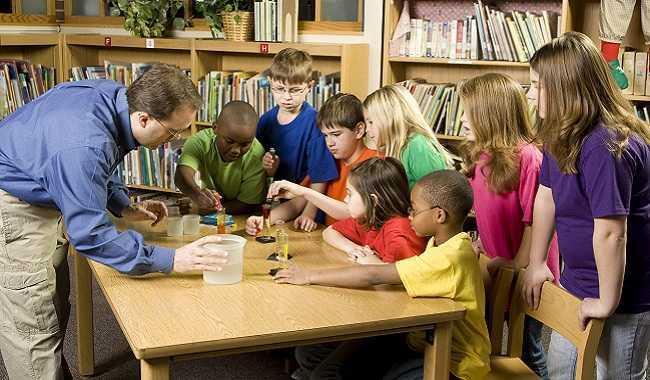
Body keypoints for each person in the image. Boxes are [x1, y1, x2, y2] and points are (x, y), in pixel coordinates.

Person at [0, 64, 228, 379]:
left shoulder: (115, 97)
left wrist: (121, 205)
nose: (171, 142)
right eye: (172, 131)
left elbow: (101, 163)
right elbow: (90, 235)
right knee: (32, 324)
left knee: (52, 305)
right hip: (13, 205)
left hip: (41, 183)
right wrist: (173, 259)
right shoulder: (84, 145)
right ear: (144, 118)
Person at [275, 170, 490, 380]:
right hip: (420, 339)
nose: (409, 216)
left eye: (414, 210)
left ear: (439, 215)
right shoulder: (443, 242)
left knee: (331, 371)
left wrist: (308, 276)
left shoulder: (449, 256)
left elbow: (373, 275)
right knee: (315, 354)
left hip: (453, 363)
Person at [522, 32, 650, 379]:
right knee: (565, 367)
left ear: (567, 88)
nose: (530, 94)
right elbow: (546, 195)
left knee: (616, 374)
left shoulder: (606, 144)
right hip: (576, 282)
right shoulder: (560, 132)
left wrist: (607, 301)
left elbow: (611, 233)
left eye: (538, 85)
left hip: (624, 293)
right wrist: (536, 263)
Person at [458, 72, 560, 379]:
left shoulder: (529, 158)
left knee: (528, 349)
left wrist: (519, 265)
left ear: (491, 116)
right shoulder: (479, 155)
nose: (462, 119)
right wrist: (480, 246)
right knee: (489, 340)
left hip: (528, 272)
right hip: (496, 269)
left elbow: (537, 219)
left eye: (468, 113)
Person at [246, 93, 378, 232]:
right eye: (325, 135)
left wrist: (306, 193)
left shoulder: (375, 164)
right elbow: (299, 202)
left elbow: (352, 212)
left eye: (336, 134)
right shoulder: (327, 161)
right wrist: (265, 219)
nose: (329, 143)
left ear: (359, 130)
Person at [256, 48, 338, 232]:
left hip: (305, 204)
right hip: (274, 202)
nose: (286, 97)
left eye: (294, 90)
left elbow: (320, 177)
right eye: (279, 89)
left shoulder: (315, 123)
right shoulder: (266, 121)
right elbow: (258, 170)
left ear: (309, 86)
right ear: (270, 83)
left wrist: (309, 213)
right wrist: (268, 168)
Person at [175, 100, 265, 215]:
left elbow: (247, 204)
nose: (236, 150)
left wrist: (208, 208)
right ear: (215, 128)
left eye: (245, 145)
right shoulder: (200, 142)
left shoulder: (257, 155)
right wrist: (196, 194)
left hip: (244, 215)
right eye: (229, 141)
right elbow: (181, 176)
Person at [363, 84, 453, 189]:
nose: (367, 129)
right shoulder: (396, 147)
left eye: (371, 122)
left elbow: (436, 192)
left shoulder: (417, 145)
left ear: (390, 118)